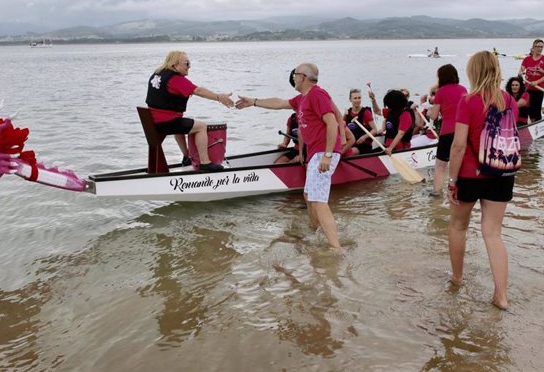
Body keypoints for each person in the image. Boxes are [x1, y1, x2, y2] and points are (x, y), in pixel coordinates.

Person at [235, 63, 342, 249]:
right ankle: (315, 231)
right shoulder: (302, 98)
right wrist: (253, 101)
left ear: (303, 77)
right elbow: (279, 103)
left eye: (294, 75)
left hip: (323, 153)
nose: (293, 78)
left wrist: (327, 155)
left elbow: (332, 123)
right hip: (315, 154)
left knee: (318, 200)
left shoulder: (317, 94)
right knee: (309, 195)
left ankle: (335, 248)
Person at [447, 51, 520, 310]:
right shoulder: (509, 99)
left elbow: (458, 145)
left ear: (473, 72)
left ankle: (457, 279)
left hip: (470, 174)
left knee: (458, 226)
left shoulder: (468, 101)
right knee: (493, 234)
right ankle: (501, 295)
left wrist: (451, 179)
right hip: (501, 173)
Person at [146, 51, 234, 172]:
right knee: (201, 127)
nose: (189, 66)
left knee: (181, 125)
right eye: (187, 63)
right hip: (165, 123)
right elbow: (198, 91)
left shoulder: (158, 74)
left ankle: (187, 157)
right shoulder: (175, 79)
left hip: (153, 121)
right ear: (175, 64)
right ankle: (205, 162)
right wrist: (219, 97)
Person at [426, 64, 467, 196]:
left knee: (440, 166)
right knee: (461, 163)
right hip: (463, 131)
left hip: (447, 131)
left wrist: (428, 111)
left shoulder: (441, 92)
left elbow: (433, 116)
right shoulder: (463, 89)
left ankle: (437, 192)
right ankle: (459, 190)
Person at [518, 39, 544, 122]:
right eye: (538, 47)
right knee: (525, 108)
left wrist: (537, 82)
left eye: (542, 47)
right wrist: (520, 74)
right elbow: (521, 70)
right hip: (527, 88)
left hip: (538, 88)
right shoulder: (527, 59)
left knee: (536, 109)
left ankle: (537, 124)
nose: (540, 49)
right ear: (533, 47)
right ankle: (525, 123)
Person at [380, 89, 415, 155]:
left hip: (400, 148)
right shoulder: (390, 111)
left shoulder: (405, 114)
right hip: (387, 145)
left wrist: (390, 148)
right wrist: (373, 100)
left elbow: (401, 133)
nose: (388, 106)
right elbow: (378, 112)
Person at [344, 88, 378, 155]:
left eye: (359, 98)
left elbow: (374, 130)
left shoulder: (366, 112)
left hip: (364, 145)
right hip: (351, 143)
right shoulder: (347, 112)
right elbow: (341, 126)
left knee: (348, 153)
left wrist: (364, 137)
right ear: (350, 100)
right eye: (355, 98)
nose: (358, 100)